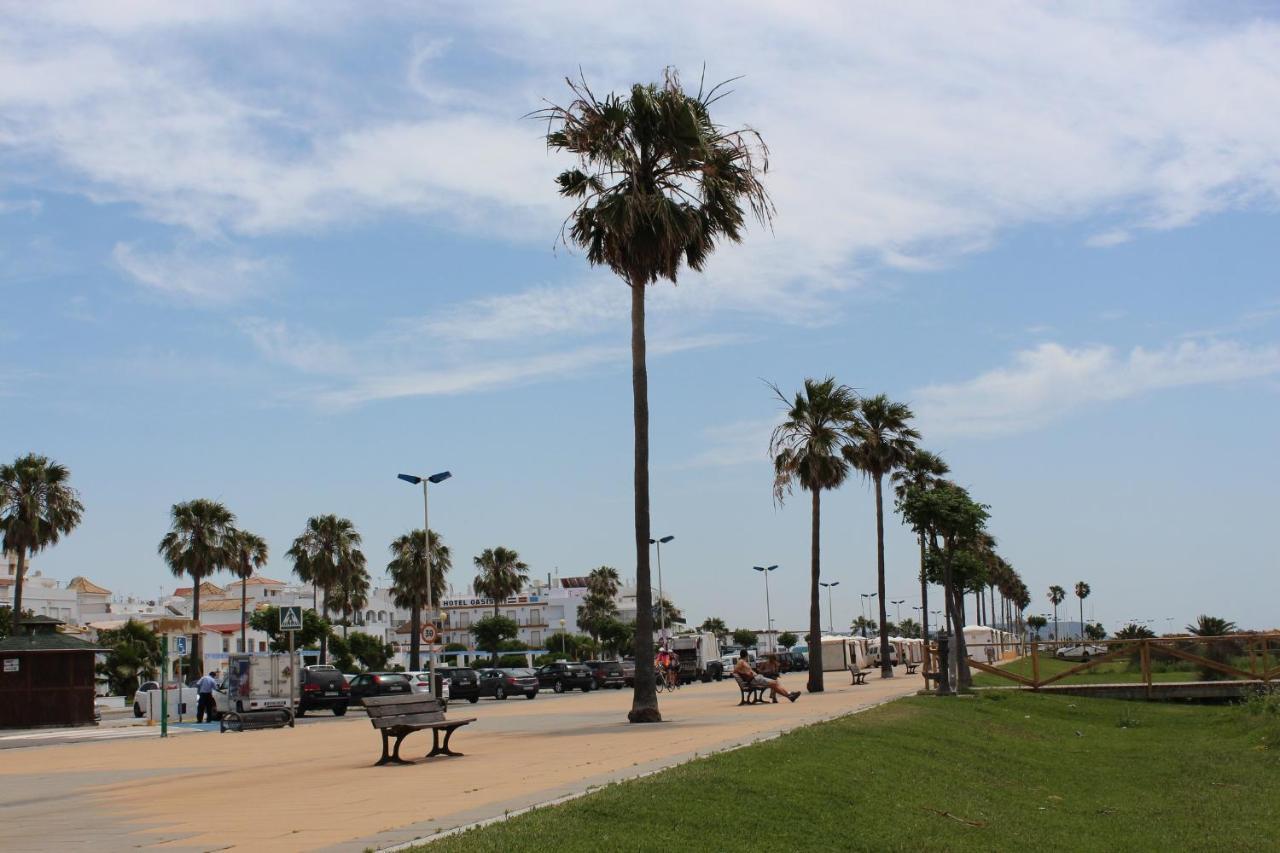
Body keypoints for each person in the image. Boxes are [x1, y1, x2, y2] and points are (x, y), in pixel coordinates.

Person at [734, 649, 799, 702]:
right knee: (774, 683)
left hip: (757, 678)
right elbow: (735, 670)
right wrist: (746, 674)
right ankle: (789, 695)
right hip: (754, 679)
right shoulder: (741, 662)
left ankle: (789, 695)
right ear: (747, 655)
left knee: (774, 683)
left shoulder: (743, 662)